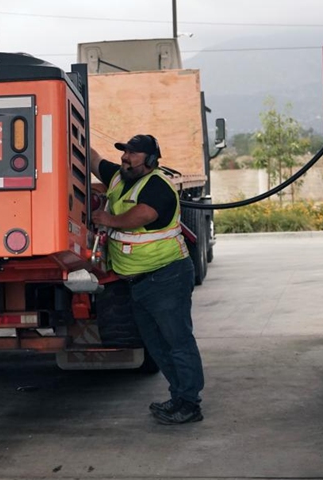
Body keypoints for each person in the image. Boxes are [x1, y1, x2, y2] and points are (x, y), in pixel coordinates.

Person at [89, 134, 205, 425]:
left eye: (133, 154)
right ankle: (178, 396)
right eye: (125, 152)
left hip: (166, 276)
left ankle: (190, 403)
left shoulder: (157, 187)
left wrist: (108, 219)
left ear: (151, 160)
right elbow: (93, 160)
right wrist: (71, 134)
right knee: (156, 344)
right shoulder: (119, 177)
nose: (126, 157)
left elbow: (141, 215)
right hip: (139, 282)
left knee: (177, 341)